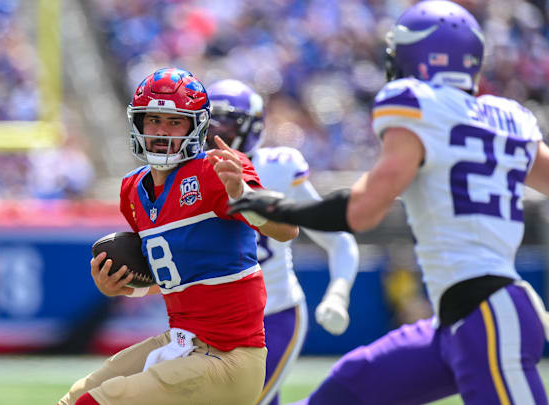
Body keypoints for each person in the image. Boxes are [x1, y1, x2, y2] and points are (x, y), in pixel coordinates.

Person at [228, 1, 549, 404]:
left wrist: (277, 208)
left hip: (488, 314)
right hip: (458, 320)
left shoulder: (417, 103)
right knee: (345, 390)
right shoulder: (508, 116)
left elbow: (362, 210)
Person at [58, 67, 299, 405]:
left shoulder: (219, 169)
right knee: (76, 397)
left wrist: (243, 193)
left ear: (196, 125)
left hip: (229, 358)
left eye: (174, 122)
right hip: (181, 341)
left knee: (101, 401)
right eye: (153, 120)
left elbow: (287, 229)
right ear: (138, 123)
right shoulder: (132, 189)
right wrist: (124, 286)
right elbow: (172, 276)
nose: (161, 132)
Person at [205, 78, 360, 405]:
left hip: (272, 315)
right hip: (211, 324)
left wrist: (338, 291)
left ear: (252, 129)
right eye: (208, 126)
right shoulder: (188, 175)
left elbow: (336, 237)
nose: (215, 137)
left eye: (227, 127)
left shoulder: (277, 168)